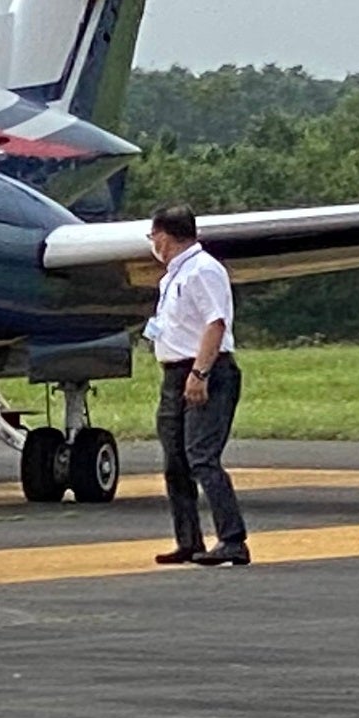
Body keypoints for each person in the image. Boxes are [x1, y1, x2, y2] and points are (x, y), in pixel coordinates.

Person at [145, 207, 250, 568]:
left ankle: (233, 539)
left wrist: (200, 373)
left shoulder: (203, 270)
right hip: (174, 373)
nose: (152, 244)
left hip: (205, 370)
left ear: (166, 235)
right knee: (175, 459)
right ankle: (188, 539)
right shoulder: (171, 278)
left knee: (202, 455)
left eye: (153, 236)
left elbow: (215, 324)